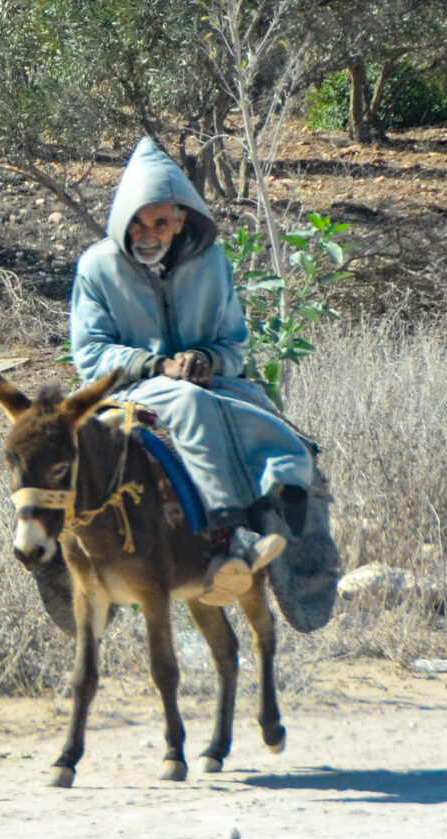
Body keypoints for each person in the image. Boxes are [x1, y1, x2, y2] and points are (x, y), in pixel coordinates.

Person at [69, 136, 316, 605]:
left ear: (181, 221)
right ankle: (229, 533)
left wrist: (205, 359)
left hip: (208, 382)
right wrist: (157, 364)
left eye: (161, 223)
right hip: (130, 390)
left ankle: (288, 534)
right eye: (137, 223)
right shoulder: (96, 268)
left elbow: (234, 344)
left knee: (273, 424)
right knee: (190, 402)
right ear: (123, 220)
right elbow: (90, 354)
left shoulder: (211, 262)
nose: (147, 234)